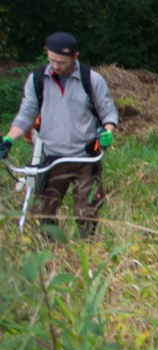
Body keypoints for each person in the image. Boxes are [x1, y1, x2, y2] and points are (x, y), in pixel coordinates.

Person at [1, 32, 119, 238]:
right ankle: (50, 251)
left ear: (75, 57)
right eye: (51, 60)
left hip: (86, 157)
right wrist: (10, 138)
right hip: (52, 158)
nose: (55, 66)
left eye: (61, 62)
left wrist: (108, 131)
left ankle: (86, 251)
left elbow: (108, 112)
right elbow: (27, 113)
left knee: (87, 211)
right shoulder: (38, 80)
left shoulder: (91, 80)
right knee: (45, 210)